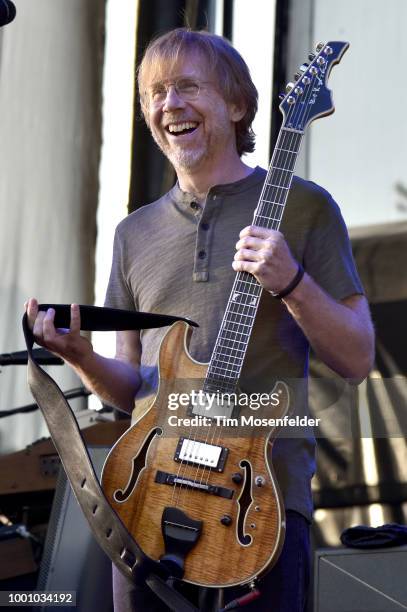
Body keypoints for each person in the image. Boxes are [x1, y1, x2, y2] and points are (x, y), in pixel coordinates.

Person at [27, 28, 374, 612]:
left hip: (257, 504)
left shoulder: (307, 206)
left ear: (237, 105)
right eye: (155, 94)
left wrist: (291, 281)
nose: (170, 105)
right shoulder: (132, 234)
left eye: (188, 86)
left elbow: (358, 357)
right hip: (147, 501)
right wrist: (79, 356)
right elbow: (134, 388)